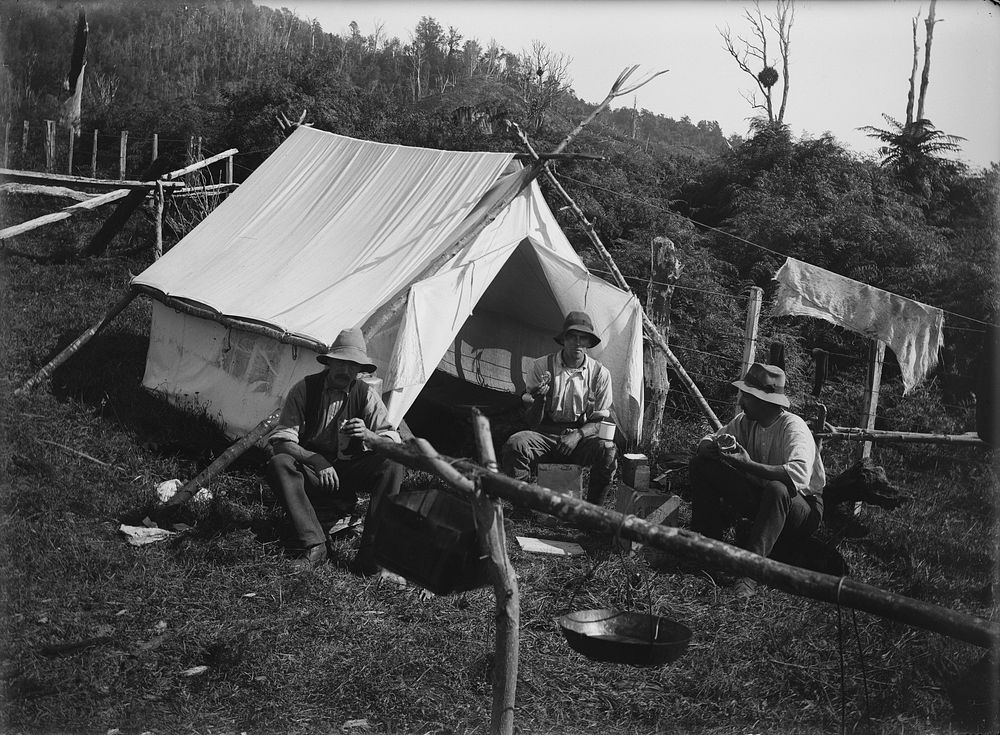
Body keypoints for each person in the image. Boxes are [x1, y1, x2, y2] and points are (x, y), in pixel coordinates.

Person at [265, 328, 403, 573]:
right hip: (313, 471)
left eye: (353, 366)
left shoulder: (365, 394)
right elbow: (281, 442)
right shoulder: (305, 389)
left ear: (359, 369)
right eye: (341, 363)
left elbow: (393, 442)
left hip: (349, 472)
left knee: (392, 464)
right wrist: (315, 459)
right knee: (280, 463)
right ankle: (315, 545)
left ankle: (371, 555)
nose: (346, 371)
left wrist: (369, 436)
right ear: (329, 362)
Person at [689, 362, 825, 597]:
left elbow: (797, 477)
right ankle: (707, 549)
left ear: (764, 401)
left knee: (777, 488)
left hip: (801, 509)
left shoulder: (793, 427)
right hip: (762, 497)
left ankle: (750, 572)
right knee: (701, 465)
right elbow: (712, 437)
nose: (741, 400)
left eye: (747, 395)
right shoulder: (745, 421)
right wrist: (707, 447)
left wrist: (748, 465)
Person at [501, 311, 617, 505]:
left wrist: (577, 435)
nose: (577, 343)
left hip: (580, 438)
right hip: (544, 436)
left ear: (589, 343)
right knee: (515, 444)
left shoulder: (600, 374)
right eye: (572, 337)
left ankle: (593, 513)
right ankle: (522, 507)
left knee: (608, 450)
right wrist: (540, 400)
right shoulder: (541, 367)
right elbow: (531, 421)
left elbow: (600, 421)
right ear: (564, 339)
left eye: (583, 338)